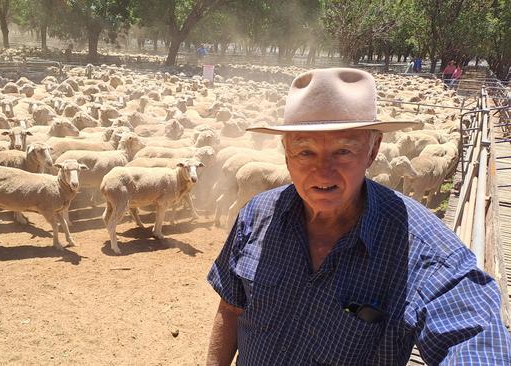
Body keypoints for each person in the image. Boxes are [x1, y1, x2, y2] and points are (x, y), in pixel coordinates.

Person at [206, 68, 511, 365]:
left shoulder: (418, 245)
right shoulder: (256, 215)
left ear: (373, 150)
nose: (323, 172)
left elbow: (474, 335)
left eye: (343, 151)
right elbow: (231, 308)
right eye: (305, 152)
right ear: (286, 152)